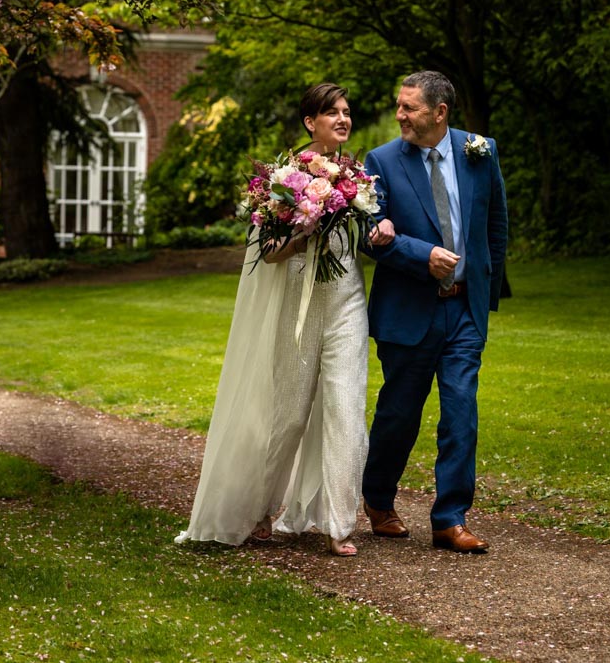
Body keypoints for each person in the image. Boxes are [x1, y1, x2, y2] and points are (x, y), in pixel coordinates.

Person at [175, 83, 394, 556]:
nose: (342, 119)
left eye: (346, 112)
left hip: (346, 301)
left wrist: (376, 229)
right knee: (290, 414)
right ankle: (259, 509)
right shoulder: (282, 179)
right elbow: (268, 254)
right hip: (298, 300)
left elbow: (362, 235)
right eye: (331, 112)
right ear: (309, 122)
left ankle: (339, 522)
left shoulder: (358, 177)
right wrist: (300, 235)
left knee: (346, 405)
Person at [360, 71, 508, 553]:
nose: (400, 115)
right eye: (399, 106)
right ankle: (379, 500)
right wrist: (421, 255)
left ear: (439, 112)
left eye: (410, 108)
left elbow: (496, 225)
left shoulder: (479, 151)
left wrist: (484, 293)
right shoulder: (381, 160)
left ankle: (449, 519)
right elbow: (372, 237)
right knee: (399, 414)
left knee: (461, 412)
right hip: (409, 311)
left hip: (464, 310)